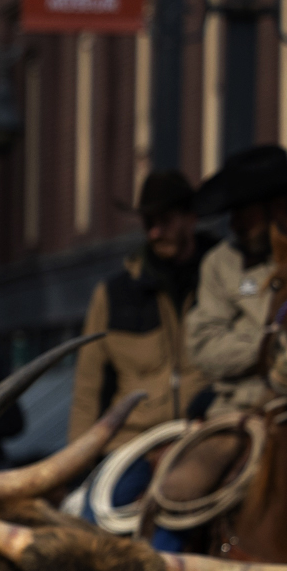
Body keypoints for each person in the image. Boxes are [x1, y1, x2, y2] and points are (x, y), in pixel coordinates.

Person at [69, 168, 201, 450]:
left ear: (191, 220)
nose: (155, 232)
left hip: (206, 434)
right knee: (103, 495)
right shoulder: (113, 294)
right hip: (134, 443)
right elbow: (88, 388)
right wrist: (75, 462)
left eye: (165, 221)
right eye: (148, 223)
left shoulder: (218, 280)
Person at [188, 144, 287, 418]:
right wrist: (273, 344)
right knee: (197, 462)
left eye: (243, 213)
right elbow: (204, 347)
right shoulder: (221, 264)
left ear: (276, 207)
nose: (234, 225)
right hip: (242, 412)